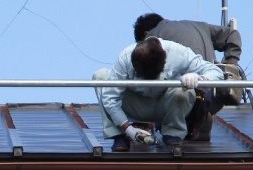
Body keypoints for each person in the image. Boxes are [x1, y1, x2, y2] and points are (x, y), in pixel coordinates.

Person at [96, 37, 224, 152]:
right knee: (101, 77)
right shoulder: (125, 58)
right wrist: (128, 129)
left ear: (164, 62)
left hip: (166, 106)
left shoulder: (179, 53)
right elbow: (110, 97)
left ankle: (172, 134)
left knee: (183, 90)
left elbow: (216, 72)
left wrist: (199, 78)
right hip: (136, 106)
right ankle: (120, 136)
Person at [134, 12, 245, 112]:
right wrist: (230, 65)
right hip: (212, 100)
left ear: (145, 33)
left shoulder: (153, 37)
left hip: (182, 98)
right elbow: (232, 35)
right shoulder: (201, 26)